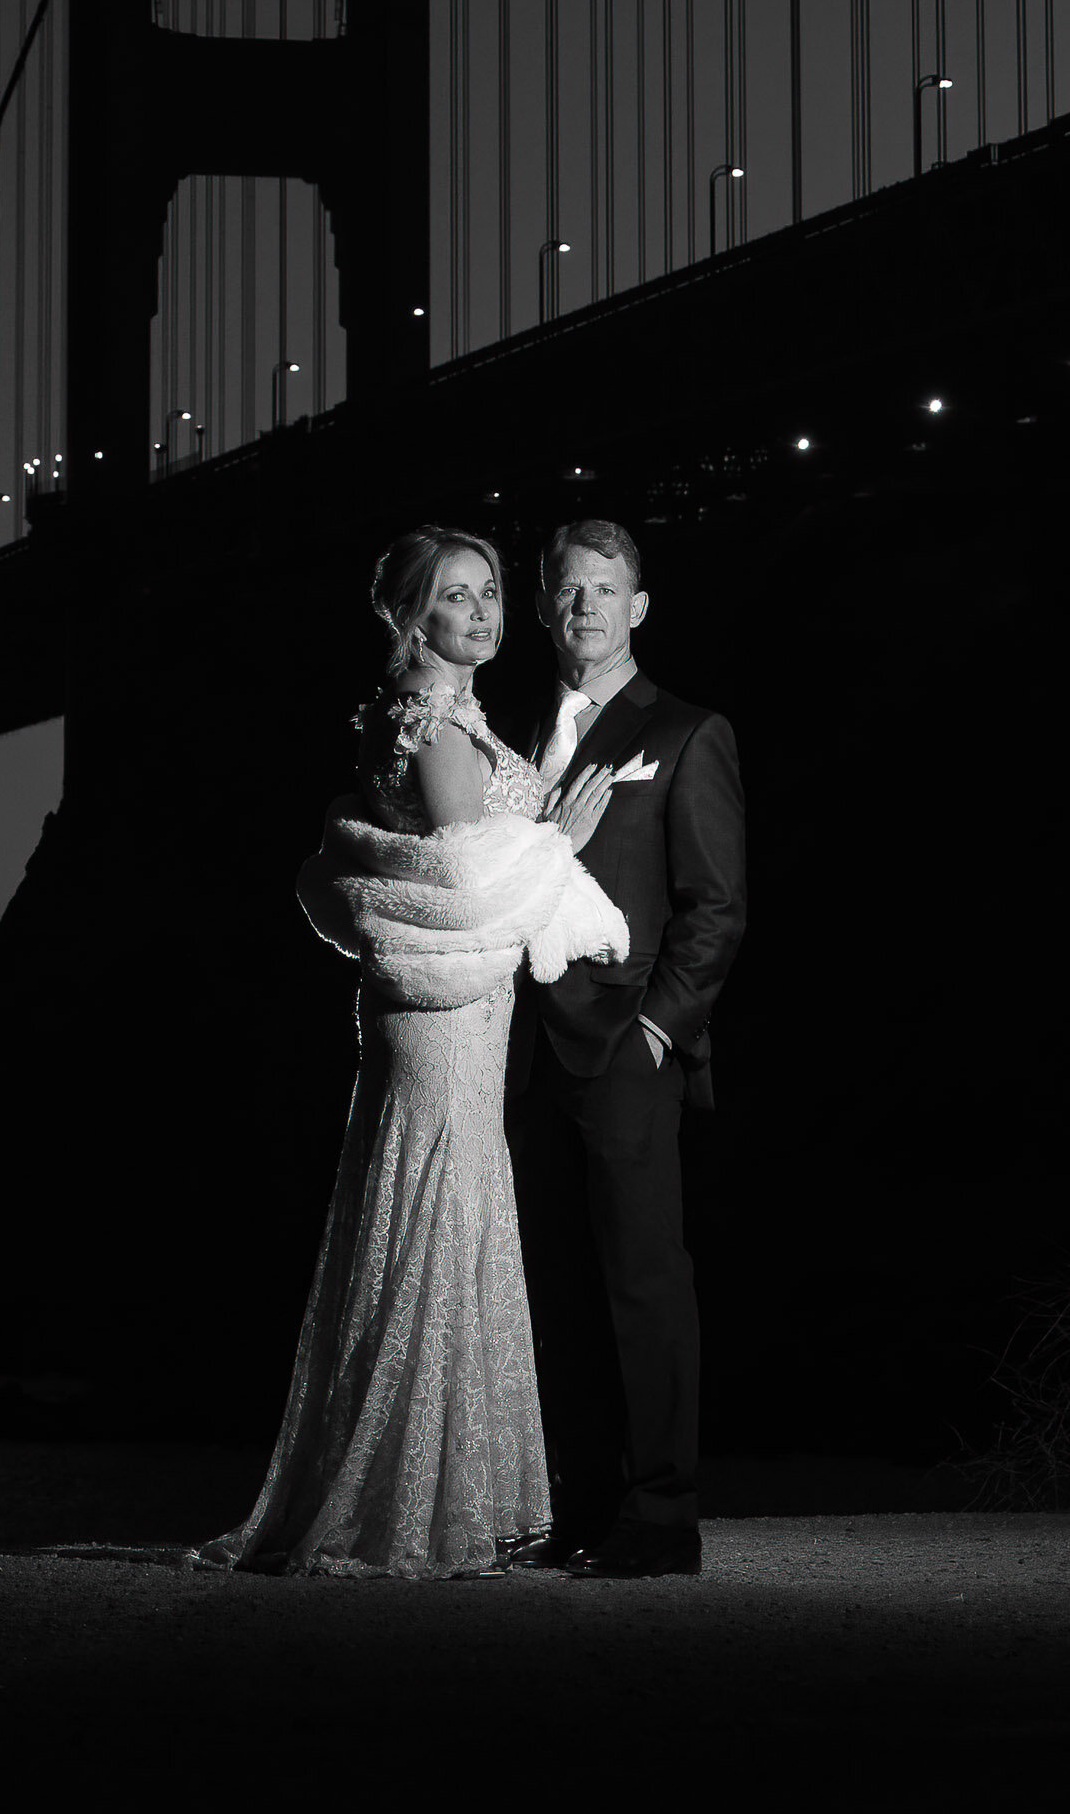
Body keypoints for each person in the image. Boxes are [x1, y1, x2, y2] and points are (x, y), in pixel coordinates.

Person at [198, 524, 621, 1577]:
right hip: (442, 1016)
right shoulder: (430, 720)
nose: (481, 612)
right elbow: (467, 875)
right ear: (409, 616)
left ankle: (440, 1495)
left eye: (487, 593)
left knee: (446, 1210)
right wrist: (558, 835)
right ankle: (406, 1507)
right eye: (455, 597)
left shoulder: (445, 711)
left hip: (457, 1013)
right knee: (437, 1211)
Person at [505, 518, 747, 1581]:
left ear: (638, 606)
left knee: (644, 1283)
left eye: (606, 588)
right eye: (568, 590)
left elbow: (717, 906)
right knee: (558, 1287)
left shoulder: (689, 732)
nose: (586, 606)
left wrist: (659, 1029)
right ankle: (587, 1505)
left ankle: (663, 1515)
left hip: (626, 1048)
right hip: (526, 1054)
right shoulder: (516, 742)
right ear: (547, 606)